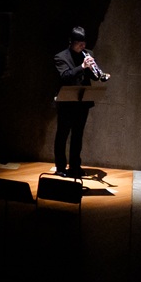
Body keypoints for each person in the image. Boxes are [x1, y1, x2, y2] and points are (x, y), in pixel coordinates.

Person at [53, 26, 106, 178]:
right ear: (71, 42)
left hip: (82, 103)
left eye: (84, 43)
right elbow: (65, 76)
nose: (83, 46)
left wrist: (96, 71)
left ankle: (75, 166)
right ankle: (60, 167)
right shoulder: (60, 57)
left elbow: (94, 77)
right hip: (66, 103)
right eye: (79, 43)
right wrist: (82, 66)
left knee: (78, 135)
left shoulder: (88, 54)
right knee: (62, 135)